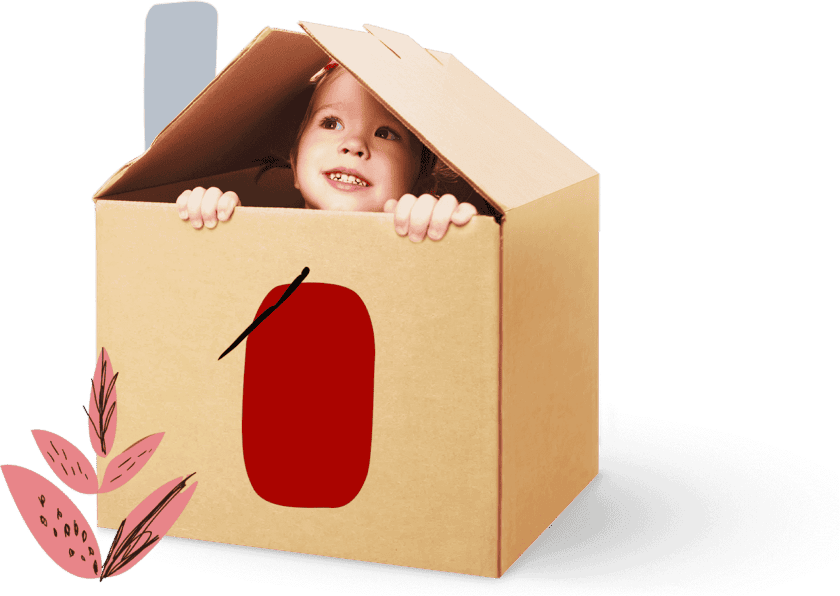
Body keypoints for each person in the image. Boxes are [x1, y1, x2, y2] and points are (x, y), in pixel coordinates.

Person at [176, 61, 477, 242]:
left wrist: (442, 226)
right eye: (331, 123)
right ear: (293, 161)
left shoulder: (424, 234)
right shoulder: (257, 238)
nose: (354, 144)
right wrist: (208, 217)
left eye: (385, 133)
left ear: (422, 181)